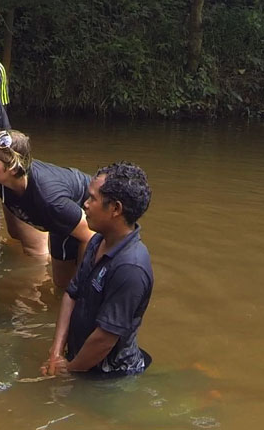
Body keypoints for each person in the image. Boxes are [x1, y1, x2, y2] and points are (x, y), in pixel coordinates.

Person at [41, 162, 154, 378]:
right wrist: (56, 353)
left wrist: (69, 371)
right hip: (80, 363)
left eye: (93, 198)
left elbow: (105, 338)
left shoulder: (131, 268)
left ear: (115, 209)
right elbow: (71, 294)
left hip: (108, 377)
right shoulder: (97, 241)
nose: (85, 204)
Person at [0, 130, 95, 289]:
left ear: (12, 168)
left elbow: (89, 235)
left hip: (86, 213)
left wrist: (83, 283)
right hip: (58, 222)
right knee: (61, 285)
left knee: (75, 288)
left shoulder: (50, 200)